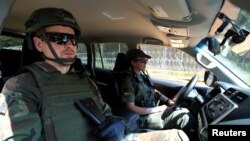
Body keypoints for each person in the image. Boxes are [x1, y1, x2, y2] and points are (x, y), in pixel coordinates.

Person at [0, 7, 189, 141]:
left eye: (73, 39)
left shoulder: (84, 80)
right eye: (60, 38)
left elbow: (106, 112)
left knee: (175, 136)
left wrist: (116, 124)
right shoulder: (22, 86)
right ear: (39, 43)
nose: (69, 45)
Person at [121, 49, 197, 138]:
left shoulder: (142, 76)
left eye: (146, 61)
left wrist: (167, 100)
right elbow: (131, 107)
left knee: (184, 111)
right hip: (143, 117)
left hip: (151, 110)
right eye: (142, 61)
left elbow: (154, 91)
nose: (145, 63)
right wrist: (159, 109)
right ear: (133, 62)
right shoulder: (127, 80)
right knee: (184, 117)